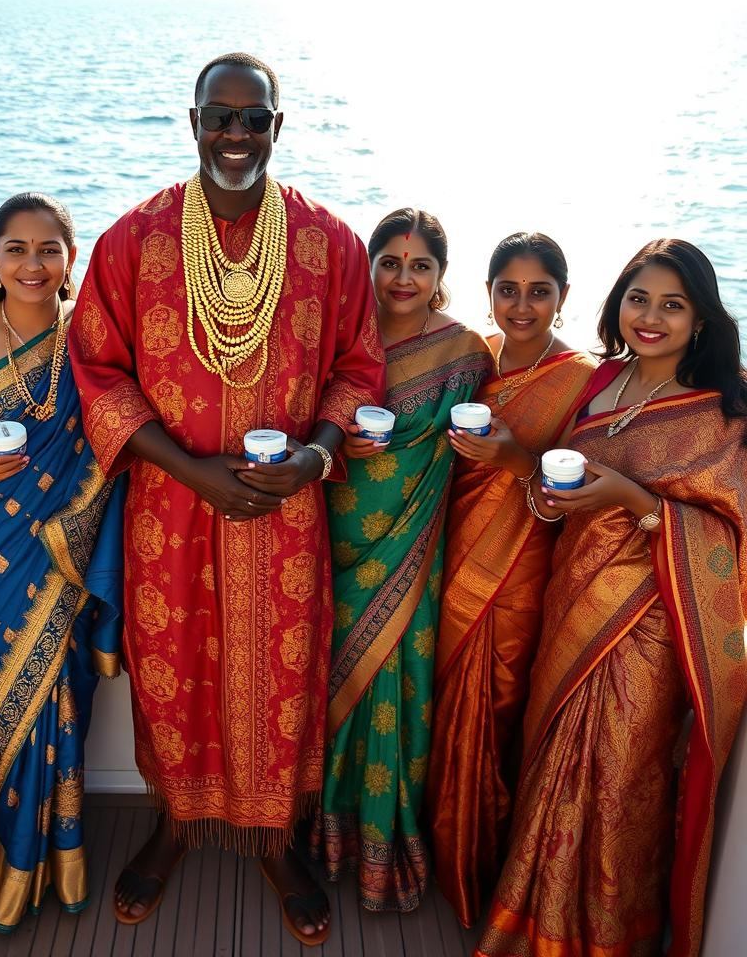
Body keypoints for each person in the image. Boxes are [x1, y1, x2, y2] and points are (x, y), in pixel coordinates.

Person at [68, 52, 385, 945]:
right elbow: (96, 367)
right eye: (221, 117)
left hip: (286, 514)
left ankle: (273, 839)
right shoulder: (133, 239)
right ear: (194, 121)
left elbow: (361, 365)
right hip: (170, 509)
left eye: (255, 119)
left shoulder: (330, 243)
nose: (236, 135)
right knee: (176, 675)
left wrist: (319, 457)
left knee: (280, 678)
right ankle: (177, 823)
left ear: (278, 128)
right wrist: (189, 468)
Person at [476, 240, 747, 957]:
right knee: (551, 760)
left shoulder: (724, 407)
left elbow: (730, 530)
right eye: (639, 298)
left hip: (653, 626)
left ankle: (603, 940)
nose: (651, 317)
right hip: (572, 603)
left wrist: (636, 500)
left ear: (701, 317)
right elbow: (551, 494)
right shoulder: (599, 386)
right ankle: (529, 923)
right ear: (616, 303)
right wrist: (529, 476)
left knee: (620, 778)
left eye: (672, 305)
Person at [0, 193, 125, 931]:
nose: (33, 265)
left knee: (64, 689)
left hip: (74, 542)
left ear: (72, 257)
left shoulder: (98, 334)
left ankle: (61, 858)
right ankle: (9, 854)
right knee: (1, 691)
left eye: (49, 250)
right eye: (17, 249)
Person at [311, 207, 493, 912]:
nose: (404, 277)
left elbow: (494, 439)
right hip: (339, 541)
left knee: (401, 690)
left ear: (442, 277)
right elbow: (304, 431)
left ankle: (389, 850)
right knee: (328, 680)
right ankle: (325, 840)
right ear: (369, 266)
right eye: (390, 261)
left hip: (415, 549)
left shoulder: (467, 353)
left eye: (421, 266)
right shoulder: (338, 343)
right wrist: (337, 448)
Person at [426, 232, 595, 926]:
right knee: (445, 708)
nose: (522, 305)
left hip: (524, 571)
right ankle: (443, 857)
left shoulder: (584, 378)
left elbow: (572, 488)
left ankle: (490, 871)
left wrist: (517, 458)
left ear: (563, 297)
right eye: (508, 289)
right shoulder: (471, 360)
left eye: (539, 291)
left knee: (498, 712)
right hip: (450, 559)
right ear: (487, 292)